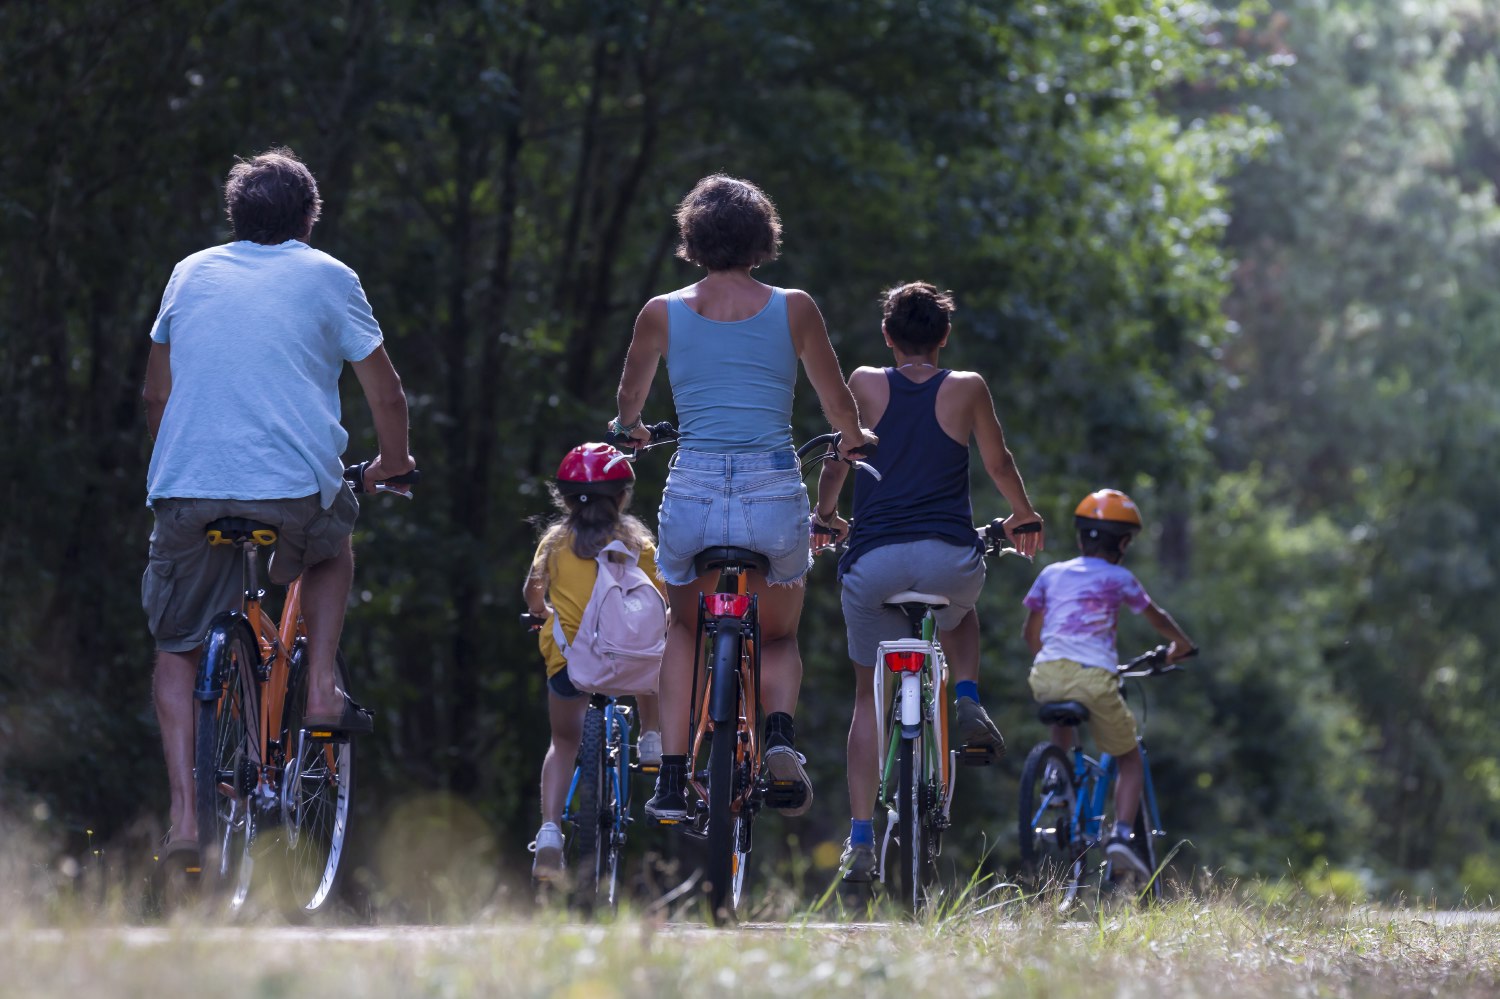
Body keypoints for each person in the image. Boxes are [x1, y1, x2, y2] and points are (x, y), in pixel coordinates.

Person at [141, 148, 413, 862]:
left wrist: (179, 467)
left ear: (234, 215)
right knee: (332, 544)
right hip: (293, 490)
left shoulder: (189, 272)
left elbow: (154, 396)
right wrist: (392, 462)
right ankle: (320, 687)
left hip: (186, 487)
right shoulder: (329, 276)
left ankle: (184, 824)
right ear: (308, 219)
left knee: (175, 647)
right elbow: (385, 391)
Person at [612, 174, 877, 822]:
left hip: (695, 492)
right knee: (780, 634)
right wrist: (853, 437)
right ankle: (780, 737)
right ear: (763, 239)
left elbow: (627, 404)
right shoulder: (795, 307)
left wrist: (632, 432)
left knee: (684, 626)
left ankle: (672, 779)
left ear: (693, 238)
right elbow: (836, 398)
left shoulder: (660, 312)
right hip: (771, 493)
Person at [813, 281, 1044, 882]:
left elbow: (839, 458)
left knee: (867, 698)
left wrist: (824, 517)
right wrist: (1022, 514)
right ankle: (965, 699)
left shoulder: (863, 383)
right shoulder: (967, 388)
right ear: (945, 336)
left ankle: (862, 836)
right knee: (960, 612)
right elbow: (998, 463)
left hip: (873, 562)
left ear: (888, 336)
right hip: (948, 558)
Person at [1021, 488, 1194, 878]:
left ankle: (1058, 776)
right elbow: (1157, 617)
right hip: (1095, 678)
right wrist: (1180, 645)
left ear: (1081, 535)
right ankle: (1120, 835)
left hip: (1046, 673)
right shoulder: (1119, 578)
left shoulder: (1051, 573)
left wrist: (1048, 660)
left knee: (1062, 711)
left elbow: (1031, 633)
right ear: (1123, 543)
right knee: (1128, 758)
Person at [524, 443, 666, 880]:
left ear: (563, 499)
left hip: (570, 662)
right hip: (630, 661)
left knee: (563, 743)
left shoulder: (554, 543)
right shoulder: (639, 544)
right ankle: (652, 739)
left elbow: (533, 593)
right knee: (655, 665)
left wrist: (540, 615)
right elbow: (660, 598)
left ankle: (550, 832)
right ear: (623, 496)